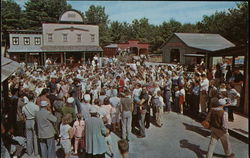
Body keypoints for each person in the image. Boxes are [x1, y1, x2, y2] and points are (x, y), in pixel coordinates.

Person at [22, 92, 39, 156]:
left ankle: (29, 152)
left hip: (27, 121)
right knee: (35, 137)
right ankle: (36, 152)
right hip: (34, 121)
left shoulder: (24, 107)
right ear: (33, 98)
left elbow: (24, 117)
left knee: (28, 138)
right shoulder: (36, 107)